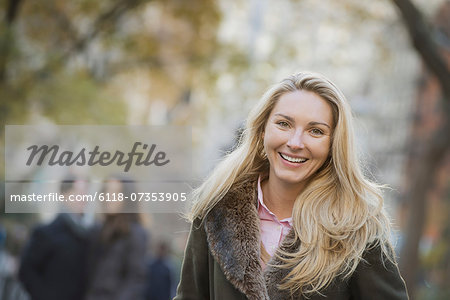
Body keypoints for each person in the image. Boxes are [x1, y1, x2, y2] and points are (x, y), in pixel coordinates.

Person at [174, 72, 409, 300]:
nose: (295, 143)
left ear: (333, 144)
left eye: (315, 131)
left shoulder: (357, 228)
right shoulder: (216, 207)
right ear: (263, 129)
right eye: (284, 124)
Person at [18, 175, 89, 300]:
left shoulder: (88, 235)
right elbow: (26, 271)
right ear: (64, 195)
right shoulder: (47, 233)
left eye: (85, 194)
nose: (83, 199)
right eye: (79, 193)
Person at [85, 176, 147, 300]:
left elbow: (135, 280)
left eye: (116, 193)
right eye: (107, 192)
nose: (110, 197)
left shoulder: (136, 233)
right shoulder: (98, 230)